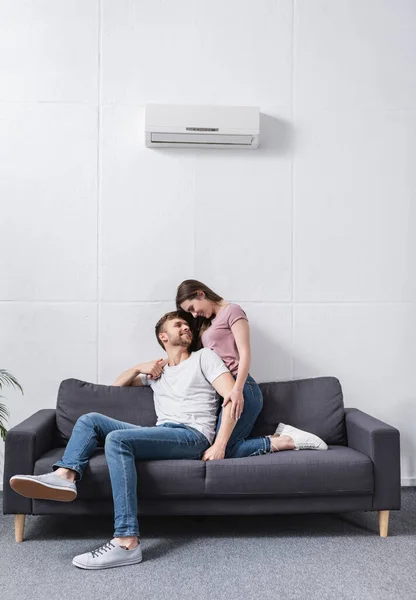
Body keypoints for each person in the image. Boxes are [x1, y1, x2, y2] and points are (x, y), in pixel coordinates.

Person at [10, 311, 325, 570]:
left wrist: (218, 445)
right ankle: (66, 475)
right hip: (166, 431)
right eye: (178, 325)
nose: (186, 328)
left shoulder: (205, 358)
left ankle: (126, 541)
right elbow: (115, 390)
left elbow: (232, 399)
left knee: (118, 441)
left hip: (192, 435)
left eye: (187, 325)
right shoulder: (156, 372)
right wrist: (139, 368)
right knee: (90, 420)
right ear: (163, 336)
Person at [176, 279, 327, 459]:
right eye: (189, 312)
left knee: (224, 450)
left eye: (192, 307)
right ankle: (279, 437)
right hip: (226, 389)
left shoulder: (233, 311)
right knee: (215, 448)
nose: (194, 315)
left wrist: (237, 390)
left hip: (241, 389)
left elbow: (245, 353)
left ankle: (287, 441)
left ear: (200, 294)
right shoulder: (211, 322)